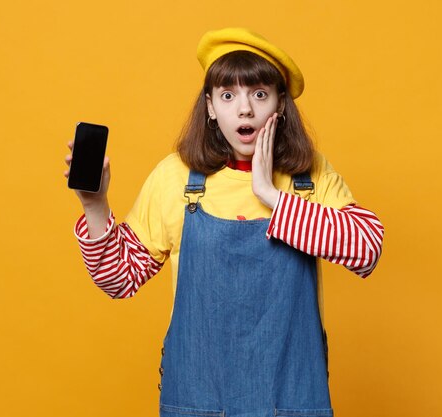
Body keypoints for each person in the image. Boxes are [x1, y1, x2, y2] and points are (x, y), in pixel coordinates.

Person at [64, 28, 384, 417]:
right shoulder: (176, 177)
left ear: (280, 104)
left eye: (260, 94)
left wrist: (270, 194)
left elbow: (367, 248)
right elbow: (120, 279)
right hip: (198, 399)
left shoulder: (309, 176)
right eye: (228, 95)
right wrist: (95, 204)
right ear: (211, 106)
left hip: (292, 399)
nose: (245, 109)